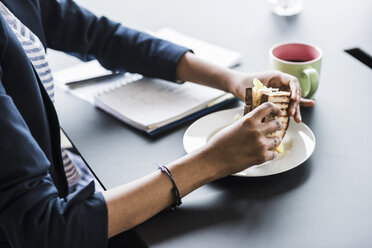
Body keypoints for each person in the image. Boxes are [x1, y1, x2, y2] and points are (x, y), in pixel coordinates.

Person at [0, 0, 314, 247]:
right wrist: (212, 161)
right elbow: (45, 231)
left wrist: (232, 79)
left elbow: (101, 36)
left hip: (65, 180)